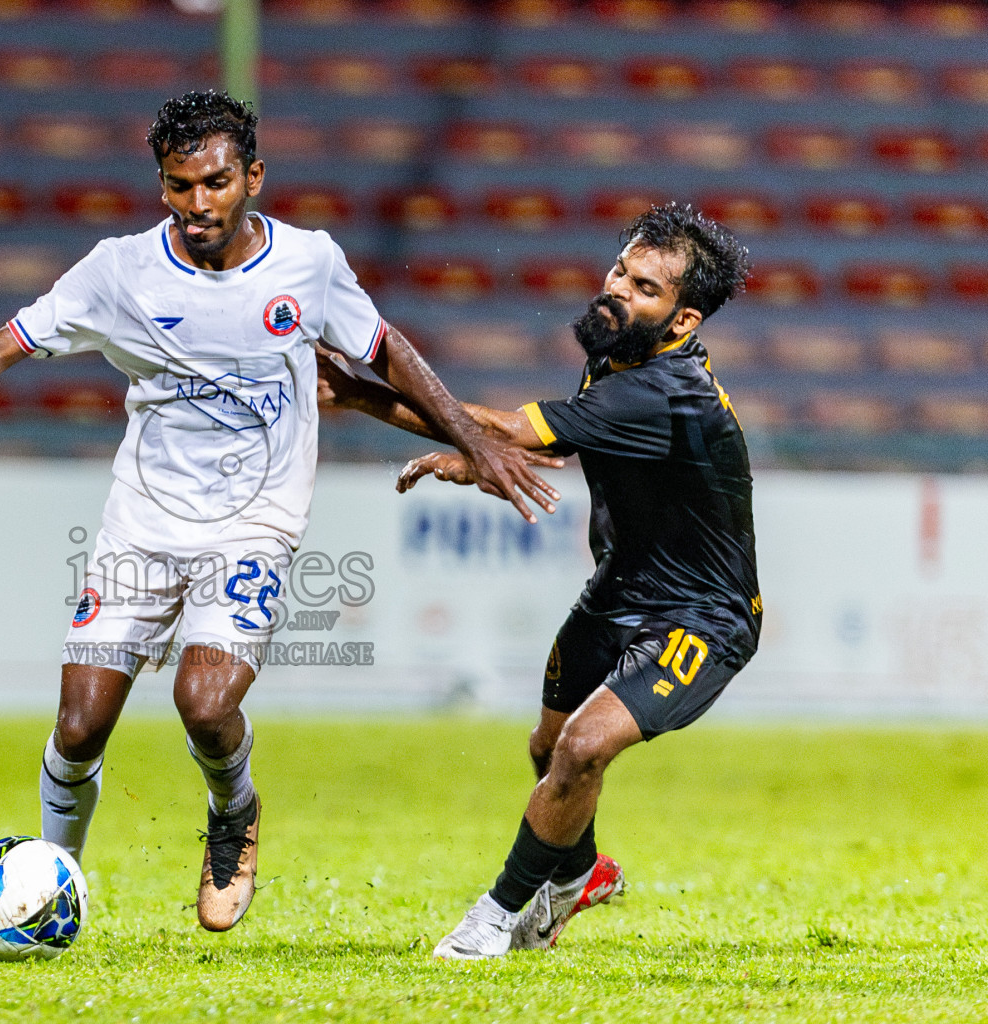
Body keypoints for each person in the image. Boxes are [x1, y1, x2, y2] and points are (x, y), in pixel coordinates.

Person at [0, 90, 558, 932]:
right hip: (143, 522)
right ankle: (53, 881)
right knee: (80, 725)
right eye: (179, 186)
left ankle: (233, 813)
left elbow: (386, 355)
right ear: (161, 185)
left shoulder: (307, 264)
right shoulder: (119, 271)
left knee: (204, 703)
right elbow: (7, 343)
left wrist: (475, 440)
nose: (199, 204)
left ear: (253, 177)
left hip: (254, 524)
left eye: (216, 182)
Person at [318, 203, 758, 958]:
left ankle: (495, 918)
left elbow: (509, 430)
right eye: (621, 269)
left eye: (644, 288)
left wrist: (365, 396)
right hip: (621, 589)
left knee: (583, 748)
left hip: (703, 618)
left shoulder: (665, 389)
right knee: (547, 746)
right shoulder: (621, 355)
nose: (617, 288)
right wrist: (490, 454)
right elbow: (559, 442)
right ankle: (581, 873)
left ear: (682, 321)